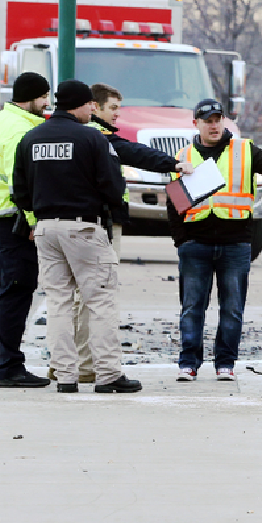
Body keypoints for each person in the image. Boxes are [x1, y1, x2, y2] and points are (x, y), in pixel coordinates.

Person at [48, 82, 195, 384]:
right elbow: (134, 154)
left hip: (56, 226)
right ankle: (86, 366)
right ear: (94, 106)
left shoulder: (53, 135)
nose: (117, 114)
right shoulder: (96, 136)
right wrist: (174, 164)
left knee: (67, 300)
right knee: (95, 298)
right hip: (95, 225)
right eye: (112, 108)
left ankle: (63, 366)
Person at [13, 79, 141, 394]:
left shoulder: (31, 138)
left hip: (46, 229)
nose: (92, 112)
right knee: (100, 301)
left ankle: (65, 377)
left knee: (58, 302)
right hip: (84, 228)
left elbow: (20, 191)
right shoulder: (91, 138)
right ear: (81, 105)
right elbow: (113, 186)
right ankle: (108, 375)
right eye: (90, 106)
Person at [169, 99, 262, 381]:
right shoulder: (183, 155)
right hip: (196, 244)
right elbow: (174, 202)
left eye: (218, 119)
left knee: (232, 309)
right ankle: (188, 363)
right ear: (196, 124)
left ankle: (225, 364)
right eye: (208, 121)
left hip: (235, 244)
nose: (214, 125)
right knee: (192, 308)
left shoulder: (244, 150)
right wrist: (182, 241)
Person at [0, 72, 51, 388]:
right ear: (32, 97)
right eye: (44, 97)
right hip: (14, 220)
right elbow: (19, 182)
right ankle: (9, 367)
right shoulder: (19, 129)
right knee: (16, 292)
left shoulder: (0, 122)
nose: (46, 103)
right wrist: (33, 221)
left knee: (1, 292)